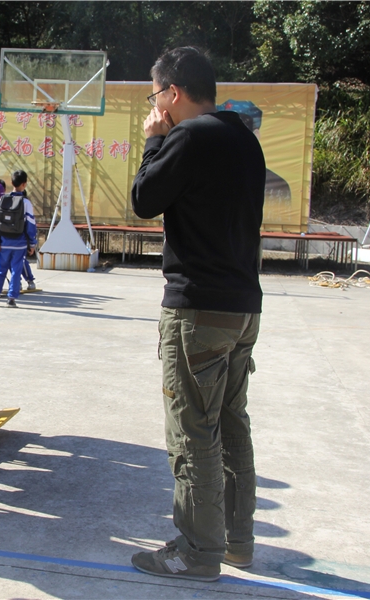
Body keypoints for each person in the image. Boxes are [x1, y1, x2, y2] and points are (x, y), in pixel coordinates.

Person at [129, 46, 266, 583]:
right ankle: (237, 542)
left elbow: (144, 198)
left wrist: (152, 139)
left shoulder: (187, 136)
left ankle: (196, 551)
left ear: (173, 94)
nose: (155, 105)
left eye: (155, 94)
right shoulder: (242, 139)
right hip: (242, 307)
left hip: (198, 309)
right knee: (232, 426)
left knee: (192, 430)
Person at [0, 170, 37, 308]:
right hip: (19, 243)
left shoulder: (3, 200)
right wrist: (32, 243)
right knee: (16, 269)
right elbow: (30, 225)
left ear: (11, 182)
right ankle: (11, 298)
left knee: (0, 268)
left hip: (3, 242)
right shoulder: (26, 202)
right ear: (24, 184)